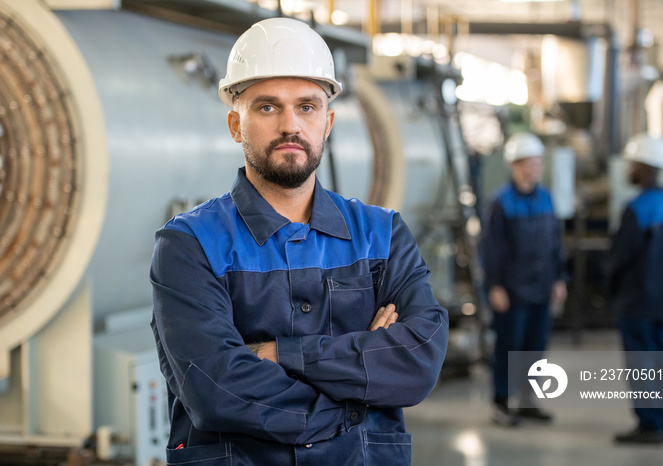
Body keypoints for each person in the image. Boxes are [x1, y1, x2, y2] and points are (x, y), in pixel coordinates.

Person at [149, 17, 449, 465]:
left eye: (306, 107)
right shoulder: (189, 245)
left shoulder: (382, 233)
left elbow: (417, 362)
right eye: (268, 107)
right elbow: (215, 387)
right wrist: (355, 400)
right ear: (236, 124)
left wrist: (276, 354)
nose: (291, 125)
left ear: (327, 123)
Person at [481, 132, 568, 427]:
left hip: (542, 288)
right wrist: (494, 286)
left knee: (536, 348)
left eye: (538, 163)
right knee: (508, 347)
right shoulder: (501, 203)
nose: (536, 168)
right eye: (531, 163)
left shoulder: (546, 198)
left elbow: (555, 242)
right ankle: (502, 402)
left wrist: (559, 278)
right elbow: (492, 248)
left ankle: (528, 400)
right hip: (512, 291)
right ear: (516, 166)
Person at [607, 133, 663, 445]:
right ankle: (657, 420)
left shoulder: (637, 209)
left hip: (636, 302)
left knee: (640, 363)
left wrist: (610, 289)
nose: (629, 168)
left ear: (645, 167)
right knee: (657, 360)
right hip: (661, 301)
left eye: (633, 163)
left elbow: (620, 258)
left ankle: (649, 424)